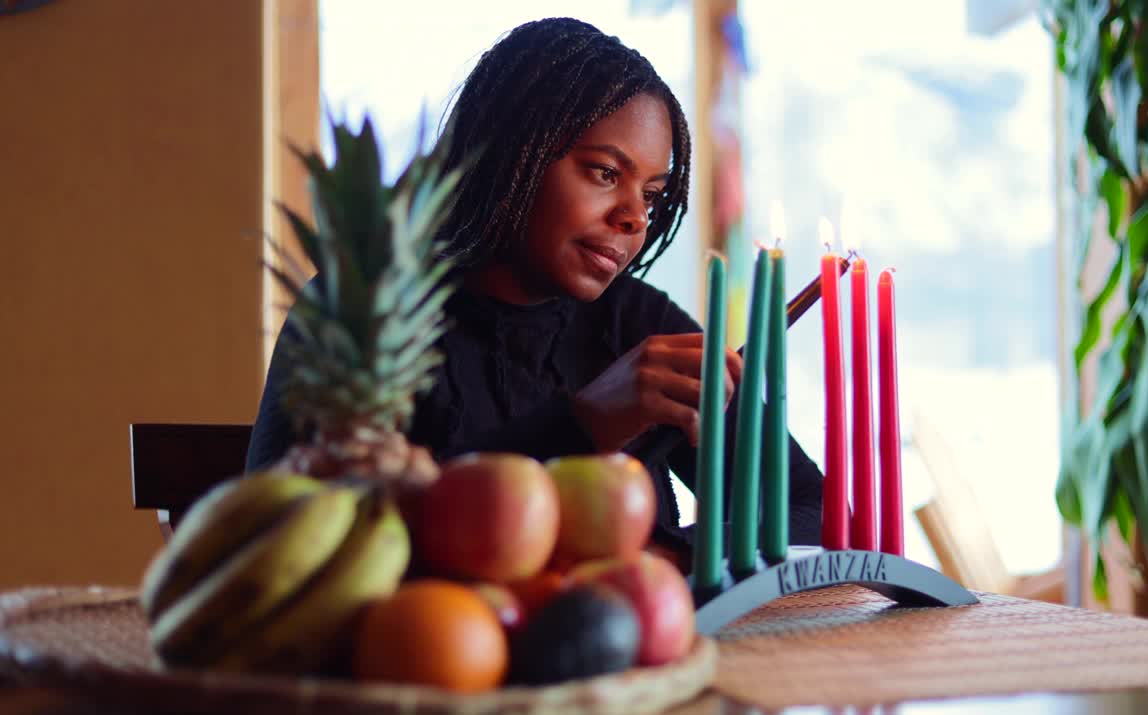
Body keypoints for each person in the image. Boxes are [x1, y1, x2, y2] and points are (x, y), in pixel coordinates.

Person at [247, 16, 823, 562]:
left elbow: (814, 510)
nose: (635, 219)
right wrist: (587, 423)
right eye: (605, 172)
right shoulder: (365, 320)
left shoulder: (639, 324)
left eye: (650, 194)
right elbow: (294, 548)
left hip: (624, 653)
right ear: (512, 151)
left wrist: (671, 559)